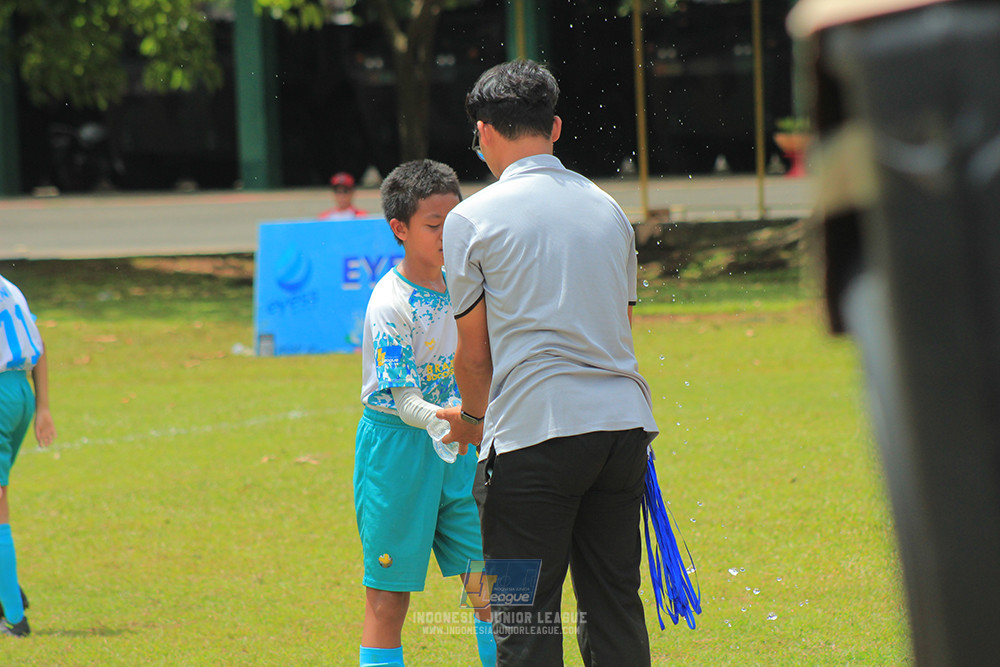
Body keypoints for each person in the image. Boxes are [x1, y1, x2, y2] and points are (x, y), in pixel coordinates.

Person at [438, 59, 659, 666]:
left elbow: (474, 356)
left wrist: (473, 421)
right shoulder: (607, 208)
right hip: (621, 431)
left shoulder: (470, 219)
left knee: (523, 617)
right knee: (614, 604)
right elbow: (622, 328)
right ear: (555, 127)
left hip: (533, 437)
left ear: (482, 131)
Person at [353, 159, 495, 667]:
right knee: (389, 600)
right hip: (398, 454)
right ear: (400, 229)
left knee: (496, 590)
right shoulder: (389, 304)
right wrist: (460, 422)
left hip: (460, 446)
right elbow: (404, 401)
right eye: (434, 226)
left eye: (453, 223)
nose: (445, 235)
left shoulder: (472, 288)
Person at [0, 274, 56, 638]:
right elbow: (40, 344)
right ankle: (9, 589)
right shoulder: (9, 286)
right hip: (21, 394)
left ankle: (15, 617)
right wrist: (44, 408)